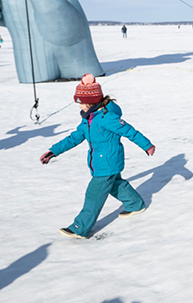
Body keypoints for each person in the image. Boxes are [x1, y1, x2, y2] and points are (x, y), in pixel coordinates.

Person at [40, 74, 156, 239]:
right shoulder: (88, 119)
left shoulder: (107, 118)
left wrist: (147, 145)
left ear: (90, 101)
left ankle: (81, 227)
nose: (78, 105)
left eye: (80, 102)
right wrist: (53, 151)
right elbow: (74, 137)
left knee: (94, 194)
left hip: (107, 162)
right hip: (102, 161)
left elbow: (129, 131)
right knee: (115, 185)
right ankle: (135, 204)